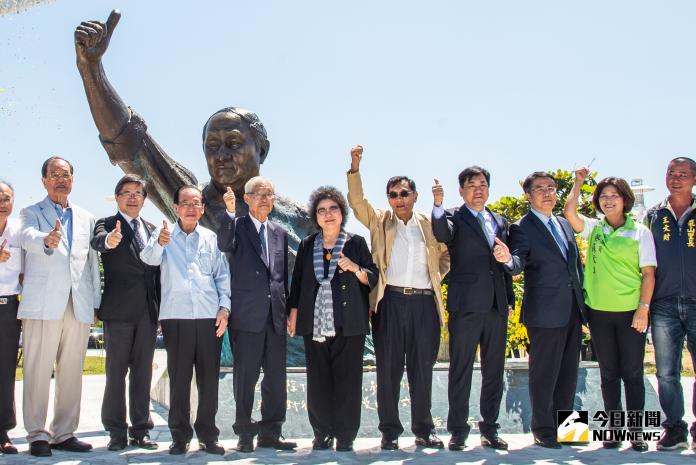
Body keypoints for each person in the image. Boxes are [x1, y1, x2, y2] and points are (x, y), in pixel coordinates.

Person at [73, 10, 313, 248]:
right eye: (212, 146)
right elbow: (128, 143)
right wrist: (92, 70)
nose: (221, 155)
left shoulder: (301, 219)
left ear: (261, 150)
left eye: (233, 143)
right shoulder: (192, 201)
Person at [346, 145, 450, 450]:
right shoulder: (380, 220)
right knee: (388, 371)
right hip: (389, 302)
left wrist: (436, 278)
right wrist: (355, 167)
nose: (399, 199)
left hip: (424, 305)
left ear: (415, 196)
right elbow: (356, 201)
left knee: (422, 371)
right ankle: (389, 432)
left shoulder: (430, 225)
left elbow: (445, 258)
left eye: (404, 193)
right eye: (393, 194)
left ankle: (423, 429)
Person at [565, 169, 656, 452]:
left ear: (625, 199)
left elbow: (649, 274)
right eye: (603, 197)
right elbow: (570, 213)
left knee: (632, 373)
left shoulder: (639, 232)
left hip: (631, 314)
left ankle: (637, 431)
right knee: (608, 374)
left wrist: (643, 309)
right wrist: (578, 183)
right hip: (599, 314)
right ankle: (614, 429)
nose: (608, 201)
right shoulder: (595, 228)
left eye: (614, 196)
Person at [496, 171, 587, 449]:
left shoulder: (563, 223)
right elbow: (518, 262)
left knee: (570, 373)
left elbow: (575, 268)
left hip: (572, 309)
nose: (547, 193)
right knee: (544, 374)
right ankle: (544, 430)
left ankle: (570, 430)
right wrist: (507, 260)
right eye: (539, 189)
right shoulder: (521, 226)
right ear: (528, 195)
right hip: (544, 312)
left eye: (551, 188)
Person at [18, 157, 101, 457]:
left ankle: (64, 432)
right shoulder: (30, 213)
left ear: (73, 180)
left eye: (66, 174)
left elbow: (92, 262)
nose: (61, 179)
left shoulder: (87, 218)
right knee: (38, 370)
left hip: (77, 305)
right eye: (54, 174)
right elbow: (26, 238)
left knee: (71, 372)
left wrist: (95, 303)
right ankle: (37, 434)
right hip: (42, 305)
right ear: (43, 180)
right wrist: (46, 239)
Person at [140, 186, 230, 455]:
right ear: (176, 208)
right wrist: (160, 243)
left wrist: (224, 308)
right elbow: (148, 259)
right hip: (175, 316)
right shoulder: (163, 234)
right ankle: (179, 436)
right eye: (185, 203)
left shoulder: (210, 238)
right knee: (179, 379)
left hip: (208, 317)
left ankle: (208, 435)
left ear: (202, 208)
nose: (191, 207)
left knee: (209, 379)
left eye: (196, 203)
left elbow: (222, 277)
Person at [287, 186, 377, 451]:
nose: (328, 215)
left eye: (333, 209)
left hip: (349, 324)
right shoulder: (307, 244)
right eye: (322, 210)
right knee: (318, 380)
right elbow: (299, 282)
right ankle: (322, 434)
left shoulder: (356, 243)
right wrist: (293, 313)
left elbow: (372, 277)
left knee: (348, 381)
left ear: (342, 213)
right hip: (315, 324)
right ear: (316, 216)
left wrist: (354, 268)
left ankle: (346, 436)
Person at [431, 167, 514, 451]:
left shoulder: (500, 221)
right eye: (471, 185)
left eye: (482, 185)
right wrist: (438, 205)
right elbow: (442, 232)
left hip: (496, 307)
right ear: (461, 191)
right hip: (465, 307)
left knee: (494, 371)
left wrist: (509, 301)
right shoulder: (454, 216)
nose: (478, 190)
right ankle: (458, 430)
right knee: (461, 370)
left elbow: (504, 264)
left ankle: (490, 428)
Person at [217, 176, 296, 453]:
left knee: (276, 379)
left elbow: (281, 277)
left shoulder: (279, 232)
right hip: (247, 316)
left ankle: (271, 432)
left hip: (275, 316)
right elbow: (224, 244)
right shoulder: (237, 226)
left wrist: (287, 311)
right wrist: (229, 211)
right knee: (246, 378)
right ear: (246, 199)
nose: (264, 199)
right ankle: (245, 433)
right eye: (258, 194)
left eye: (269, 194)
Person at [90, 174, 160, 451]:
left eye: (138, 193)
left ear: (144, 199)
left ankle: (141, 429)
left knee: (142, 373)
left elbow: (157, 273)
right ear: (117, 197)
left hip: (147, 312)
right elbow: (98, 242)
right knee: (115, 373)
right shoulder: (106, 224)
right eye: (127, 192)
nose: (133, 197)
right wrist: (109, 240)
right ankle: (116, 431)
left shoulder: (153, 229)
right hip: (118, 311)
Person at [645, 157, 696, 450]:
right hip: (663, 304)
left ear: (693, 179)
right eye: (671, 173)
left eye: (683, 174)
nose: (676, 178)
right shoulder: (654, 215)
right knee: (666, 371)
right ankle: (674, 428)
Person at [0, 181, 22, 454]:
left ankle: (3, 429)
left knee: (5, 371)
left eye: (6, 198)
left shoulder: (18, 231)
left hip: (8, 308)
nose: (2, 202)